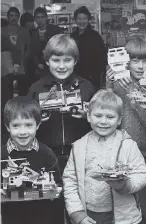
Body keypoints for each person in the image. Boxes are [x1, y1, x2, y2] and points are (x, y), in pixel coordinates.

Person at [63, 89, 146, 224]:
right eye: (98, 116)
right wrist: (77, 213)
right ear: (88, 116)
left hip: (123, 217)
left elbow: (142, 175)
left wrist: (125, 185)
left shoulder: (128, 145)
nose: (103, 121)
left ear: (119, 120)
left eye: (110, 117)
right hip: (89, 214)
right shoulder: (78, 147)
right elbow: (70, 181)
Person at [106, 37, 146, 224]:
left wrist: (133, 96)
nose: (140, 66)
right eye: (135, 60)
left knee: (144, 211)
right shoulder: (116, 84)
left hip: (143, 157)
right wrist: (108, 88)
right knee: (117, 212)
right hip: (115, 156)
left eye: (145, 61)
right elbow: (105, 119)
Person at [28, 34, 95, 173]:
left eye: (67, 60)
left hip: (81, 155)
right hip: (46, 155)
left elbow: (102, 121)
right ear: (47, 61)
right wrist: (35, 120)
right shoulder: (36, 89)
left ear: (75, 61)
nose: (62, 66)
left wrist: (88, 117)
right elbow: (23, 123)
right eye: (56, 60)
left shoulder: (86, 87)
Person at [1, 96, 64, 224]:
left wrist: (53, 190)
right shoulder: (2, 155)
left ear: (38, 125)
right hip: (11, 218)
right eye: (16, 126)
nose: (23, 132)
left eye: (29, 125)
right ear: (7, 127)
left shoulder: (47, 154)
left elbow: (58, 186)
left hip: (43, 218)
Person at [71, 6, 107, 89]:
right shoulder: (72, 36)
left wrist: (99, 74)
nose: (82, 21)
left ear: (88, 20)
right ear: (75, 20)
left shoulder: (95, 36)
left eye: (84, 18)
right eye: (79, 18)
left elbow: (102, 57)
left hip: (92, 77)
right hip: (75, 76)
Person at [1, 7, 30, 96]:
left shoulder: (24, 30)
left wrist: (21, 62)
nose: (13, 18)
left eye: (16, 16)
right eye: (11, 15)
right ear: (7, 17)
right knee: (6, 94)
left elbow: (28, 48)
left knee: (23, 93)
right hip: (5, 68)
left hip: (22, 66)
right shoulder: (2, 31)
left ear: (19, 17)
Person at [31, 7, 62, 79]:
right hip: (40, 67)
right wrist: (37, 63)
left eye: (42, 17)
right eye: (38, 17)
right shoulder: (33, 33)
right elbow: (32, 51)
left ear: (46, 18)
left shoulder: (55, 30)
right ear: (35, 19)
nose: (40, 20)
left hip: (55, 64)